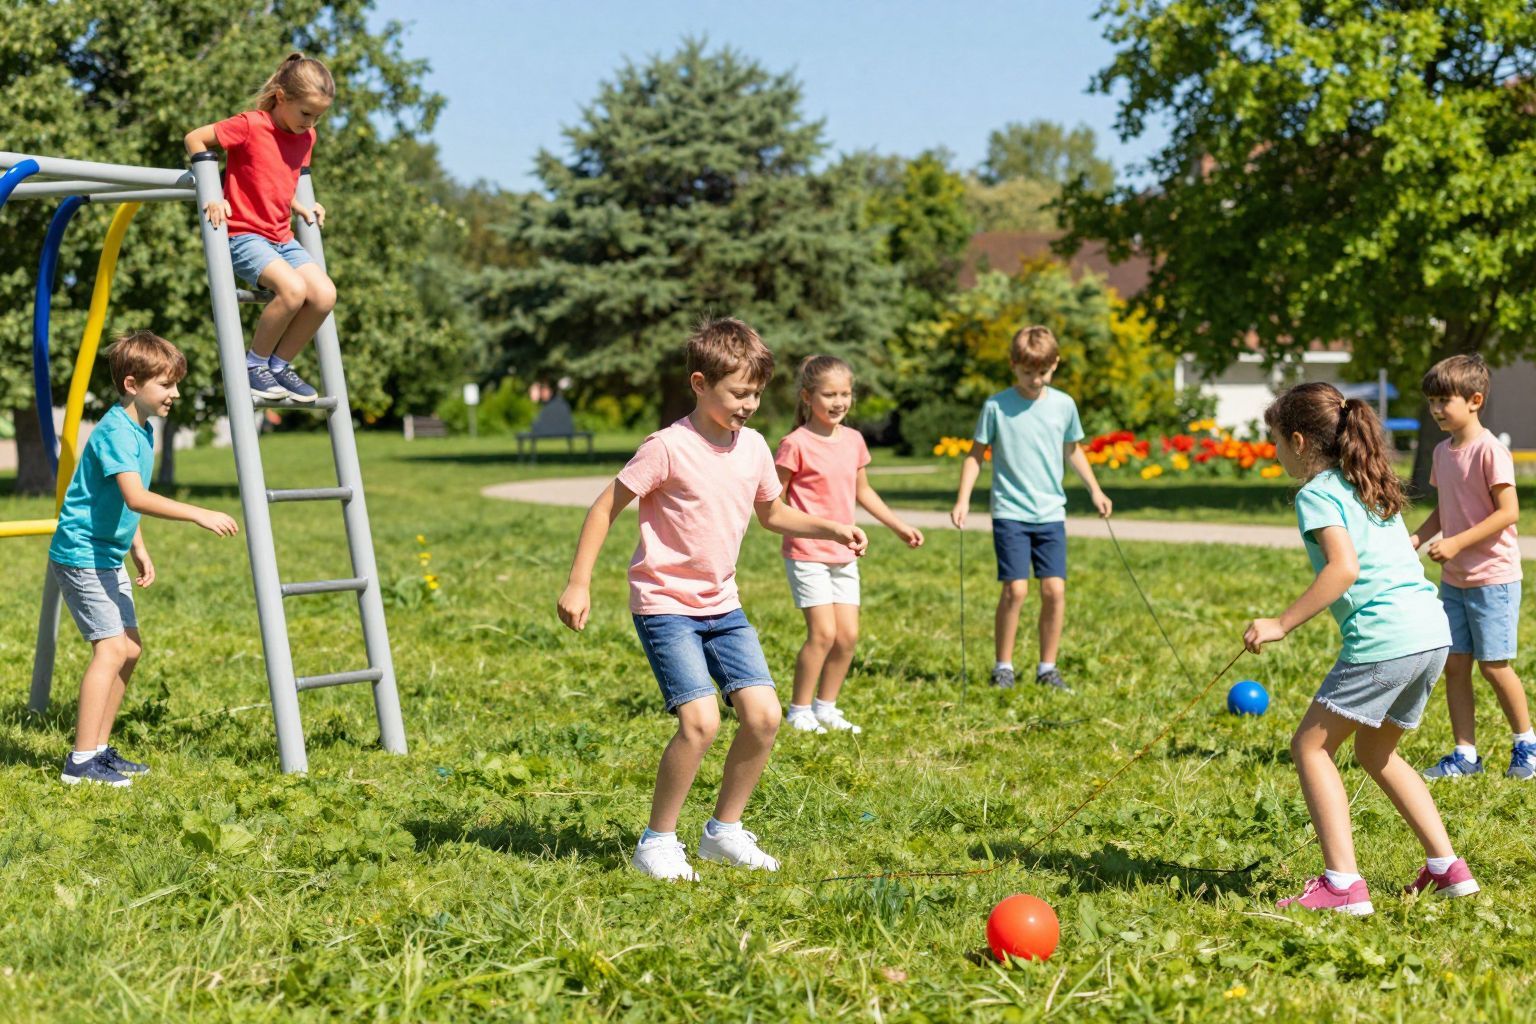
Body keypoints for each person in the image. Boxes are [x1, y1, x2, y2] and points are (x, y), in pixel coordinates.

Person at [556, 318, 867, 881]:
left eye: (756, 394)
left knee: (765, 717)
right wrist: (579, 582)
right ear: (700, 384)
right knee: (700, 723)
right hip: (666, 605)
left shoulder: (754, 448)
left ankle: (723, 832)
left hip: (723, 606)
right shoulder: (667, 448)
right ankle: (657, 842)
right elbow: (605, 507)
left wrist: (831, 527)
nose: (749, 405)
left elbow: (772, 513)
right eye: (739, 393)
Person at [1245, 382, 1476, 915]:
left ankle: (1343, 885)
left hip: (1386, 640)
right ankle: (1447, 868)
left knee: (1310, 748)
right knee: (1376, 752)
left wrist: (1281, 623)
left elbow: (1343, 569)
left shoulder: (1317, 494)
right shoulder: (1368, 483)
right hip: (1430, 633)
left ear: (1299, 441)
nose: (1274, 452)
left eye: (1275, 441)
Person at [52, 332, 240, 786]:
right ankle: (80, 762)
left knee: (130, 649)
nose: (176, 394)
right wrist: (198, 513)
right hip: (82, 553)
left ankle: (98, 750)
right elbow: (137, 497)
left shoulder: (142, 429)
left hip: (106, 553)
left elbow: (120, 500)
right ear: (133, 384)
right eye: (167, 384)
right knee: (111, 649)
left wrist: (137, 547)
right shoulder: (117, 431)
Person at [950, 326, 1111, 692]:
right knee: (1017, 590)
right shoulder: (996, 406)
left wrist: (1095, 490)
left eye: (1042, 372)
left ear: (1055, 364)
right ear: (1013, 365)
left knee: (1054, 590)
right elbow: (975, 456)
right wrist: (963, 499)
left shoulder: (1064, 405)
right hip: (1010, 512)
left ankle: (1047, 668)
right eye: (1027, 372)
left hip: (1050, 513)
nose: (1035, 380)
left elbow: (1073, 450)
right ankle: (1003, 667)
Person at [775, 355, 924, 735]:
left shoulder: (854, 440)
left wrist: (898, 526)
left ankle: (826, 707)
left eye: (845, 393)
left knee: (847, 637)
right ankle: (799, 710)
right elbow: (774, 500)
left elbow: (863, 491)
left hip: (845, 554)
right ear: (807, 397)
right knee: (823, 634)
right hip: (807, 553)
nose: (839, 401)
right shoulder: (794, 444)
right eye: (829, 394)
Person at [1408, 355, 1535, 781]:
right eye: (1431, 401)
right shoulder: (1443, 452)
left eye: (1444, 400)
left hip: (1493, 578)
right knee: (1456, 665)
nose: (1436, 409)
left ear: (1475, 400)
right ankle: (1465, 755)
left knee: (1494, 666)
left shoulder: (1490, 451)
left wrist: (1457, 542)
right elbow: (1445, 510)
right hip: (1455, 581)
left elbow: (1508, 512)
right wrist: (1416, 539)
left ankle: (1527, 745)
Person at [184, 52, 337, 404]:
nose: (311, 123)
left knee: (325, 295)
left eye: (318, 117)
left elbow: (279, 176)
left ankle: (279, 365)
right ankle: (254, 364)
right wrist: (212, 193)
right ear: (282, 97)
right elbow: (195, 138)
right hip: (243, 234)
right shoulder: (250, 125)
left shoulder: (306, 137)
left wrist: (300, 203)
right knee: (293, 290)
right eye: (306, 113)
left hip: (281, 236)